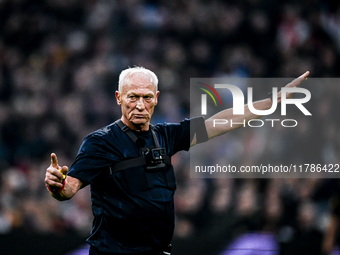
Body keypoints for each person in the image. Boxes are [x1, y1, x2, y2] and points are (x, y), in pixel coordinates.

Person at [45, 66, 310, 255]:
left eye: (147, 97)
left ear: (156, 99)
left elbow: (221, 121)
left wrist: (268, 104)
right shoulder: (100, 142)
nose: (140, 105)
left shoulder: (167, 136)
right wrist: (57, 185)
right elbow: (70, 188)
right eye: (132, 97)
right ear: (118, 98)